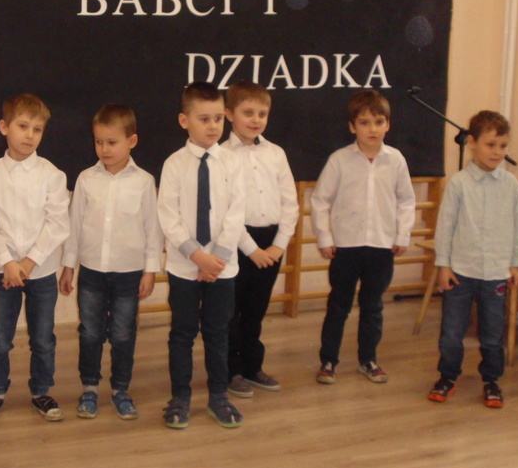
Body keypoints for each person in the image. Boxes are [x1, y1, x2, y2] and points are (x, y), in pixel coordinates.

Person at [59, 105, 162, 420]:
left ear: (132, 141)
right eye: (99, 142)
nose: (104, 149)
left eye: (112, 142)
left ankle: (120, 390)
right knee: (90, 332)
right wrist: (68, 266)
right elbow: (74, 225)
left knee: (122, 334)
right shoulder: (86, 179)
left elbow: (153, 229)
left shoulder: (144, 182)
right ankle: (89, 387)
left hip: (129, 274)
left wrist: (150, 270)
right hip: (91, 272)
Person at [0, 94, 70, 422]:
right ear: (4, 127)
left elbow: (57, 224)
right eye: (23, 126)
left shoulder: (52, 175)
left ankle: (42, 391)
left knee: (43, 337)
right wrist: (8, 262)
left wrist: (28, 262)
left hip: (41, 271)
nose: (30, 135)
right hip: (4, 273)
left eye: (37, 129)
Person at [157, 81, 247, 429]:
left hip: (222, 268)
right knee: (182, 333)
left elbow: (236, 214)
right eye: (204, 119)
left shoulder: (232, 163)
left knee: (217, 332)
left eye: (218, 119)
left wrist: (216, 260)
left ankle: (218, 396)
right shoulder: (174, 164)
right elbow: (169, 217)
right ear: (185, 121)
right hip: (185, 267)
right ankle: (180, 397)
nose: (212, 126)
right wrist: (197, 256)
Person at [311, 89, 415, 385]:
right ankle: (328, 361)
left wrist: (402, 234)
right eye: (365, 122)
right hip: (346, 247)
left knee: (373, 307)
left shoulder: (395, 160)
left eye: (379, 122)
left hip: (382, 247)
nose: (372, 129)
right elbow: (320, 200)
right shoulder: (339, 160)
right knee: (338, 306)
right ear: (352, 126)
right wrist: (324, 238)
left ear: (388, 125)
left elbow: (406, 200)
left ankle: (368, 360)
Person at [428, 111, 518, 408]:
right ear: (472, 143)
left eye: (503, 146)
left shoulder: (511, 185)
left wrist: (515, 264)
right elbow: (445, 227)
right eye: (490, 144)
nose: (497, 152)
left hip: (496, 273)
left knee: (493, 334)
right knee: (452, 333)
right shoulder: (458, 183)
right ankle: (448, 377)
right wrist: (444, 265)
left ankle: (491, 380)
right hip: (461, 271)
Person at [222, 81, 299, 398]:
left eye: (262, 114)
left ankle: (252, 367)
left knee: (256, 309)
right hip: (236, 241)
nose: (256, 119)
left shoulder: (276, 154)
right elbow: (226, 210)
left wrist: (279, 244)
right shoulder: (222, 155)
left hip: (271, 243)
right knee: (231, 311)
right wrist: (251, 249)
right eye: (248, 112)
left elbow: (290, 202)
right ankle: (230, 370)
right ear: (229, 114)